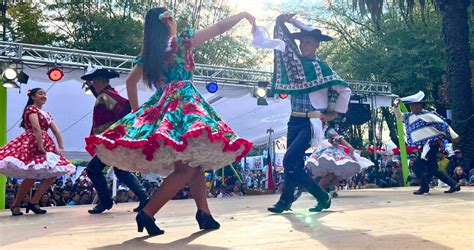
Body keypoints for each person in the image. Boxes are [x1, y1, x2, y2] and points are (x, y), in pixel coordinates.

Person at [85, 8, 254, 236]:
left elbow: (131, 83)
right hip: (185, 103)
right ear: (168, 23)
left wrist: (138, 113)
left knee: (194, 164)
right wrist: (242, 14)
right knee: (186, 167)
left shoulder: (150, 53)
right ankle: (148, 212)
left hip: (164, 104)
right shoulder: (183, 42)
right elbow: (219, 28)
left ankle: (204, 213)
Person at [267, 14, 352, 213]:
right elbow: (283, 49)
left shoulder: (322, 68)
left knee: (289, 160)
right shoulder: (295, 67)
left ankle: (318, 195)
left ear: (316, 45)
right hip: (294, 120)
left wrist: (334, 114)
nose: (304, 45)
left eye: (308, 42)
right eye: (302, 42)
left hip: (312, 122)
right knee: (293, 163)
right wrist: (281, 22)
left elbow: (345, 90)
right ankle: (289, 200)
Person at [81, 67, 150, 214]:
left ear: (99, 81)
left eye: (93, 81)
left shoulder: (107, 95)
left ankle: (106, 201)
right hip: (112, 139)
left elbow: (126, 107)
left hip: (111, 140)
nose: (92, 83)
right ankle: (144, 197)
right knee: (120, 170)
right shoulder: (105, 94)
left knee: (94, 169)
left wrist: (117, 129)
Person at [0, 88, 76, 216]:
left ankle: (33, 201)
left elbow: (56, 131)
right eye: (40, 93)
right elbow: (36, 128)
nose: (44, 95)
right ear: (33, 97)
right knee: (31, 176)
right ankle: (17, 204)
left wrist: (61, 146)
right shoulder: (31, 109)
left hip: (46, 143)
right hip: (32, 142)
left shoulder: (47, 113)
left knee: (53, 173)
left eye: (45, 94)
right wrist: (40, 145)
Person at [393, 91, 460, 195]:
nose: (412, 108)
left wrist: (454, 135)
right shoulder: (409, 116)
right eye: (411, 106)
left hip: (431, 145)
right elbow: (399, 116)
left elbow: (443, 125)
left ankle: (424, 187)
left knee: (416, 167)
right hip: (424, 147)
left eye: (414, 105)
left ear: (420, 106)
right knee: (433, 169)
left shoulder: (429, 115)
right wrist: (396, 106)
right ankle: (453, 184)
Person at [305, 127, 373, 196]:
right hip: (330, 151)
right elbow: (339, 138)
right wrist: (349, 146)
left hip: (332, 150)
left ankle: (329, 190)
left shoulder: (323, 128)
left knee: (333, 173)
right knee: (331, 173)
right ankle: (319, 190)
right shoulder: (329, 129)